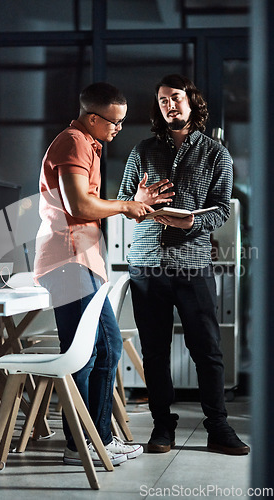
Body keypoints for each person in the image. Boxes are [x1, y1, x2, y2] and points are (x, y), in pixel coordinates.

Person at [117, 74, 250, 456]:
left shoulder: (215, 154)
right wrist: (138, 198)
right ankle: (162, 427)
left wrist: (193, 221)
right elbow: (126, 203)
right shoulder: (141, 150)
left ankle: (219, 428)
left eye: (175, 98)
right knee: (154, 351)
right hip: (147, 264)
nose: (169, 105)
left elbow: (222, 209)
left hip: (192, 264)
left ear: (191, 102)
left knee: (207, 349)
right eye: (162, 100)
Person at [34, 82, 158, 466]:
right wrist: (124, 207)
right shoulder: (73, 141)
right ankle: (84, 443)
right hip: (69, 259)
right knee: (90, 353)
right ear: (93, 117)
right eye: (114, 122)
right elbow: (79, 205)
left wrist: (132, 203)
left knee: (102, 350)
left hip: (80, 260)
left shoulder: (87, 145)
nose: (119, 129)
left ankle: (95, 438)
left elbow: (86, 204)